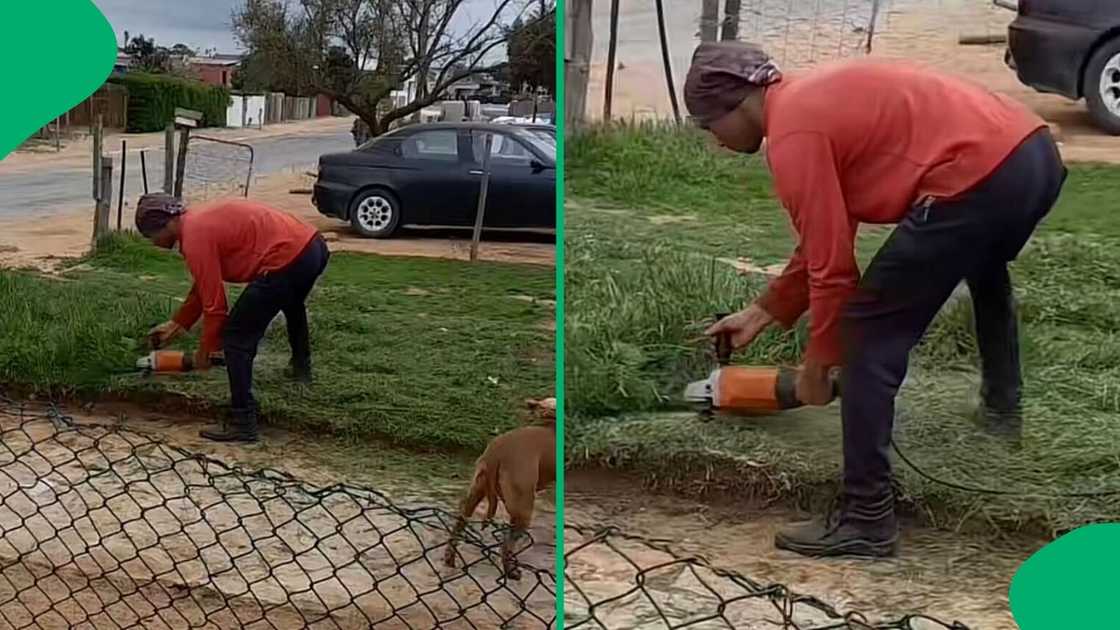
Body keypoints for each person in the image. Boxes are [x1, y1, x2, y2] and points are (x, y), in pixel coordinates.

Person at [683, 42, 1067, 558]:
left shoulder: (793, 132)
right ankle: (1002, 415)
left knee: (865, 330)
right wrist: (763, 311)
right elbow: (825, 240)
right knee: (983, 269)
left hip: (979, 171)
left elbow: (833, 270)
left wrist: (820, 363)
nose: (718, 144)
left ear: (739, 102)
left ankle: (866, 517)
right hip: (1030, 155)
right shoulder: (810, 101)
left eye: (711, 128)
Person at [136, 193, 331, 443]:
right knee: (292, 304)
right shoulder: (197, 222)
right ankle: (301, 370)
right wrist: (178, 324)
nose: (154, 244)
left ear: (165, 224)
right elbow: (203, 287)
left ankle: (244, 422)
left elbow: (215, 306)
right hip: (312, 247)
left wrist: (207, 351)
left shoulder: (194, 236)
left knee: (236, 338)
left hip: (286, 258)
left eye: (151, 237)